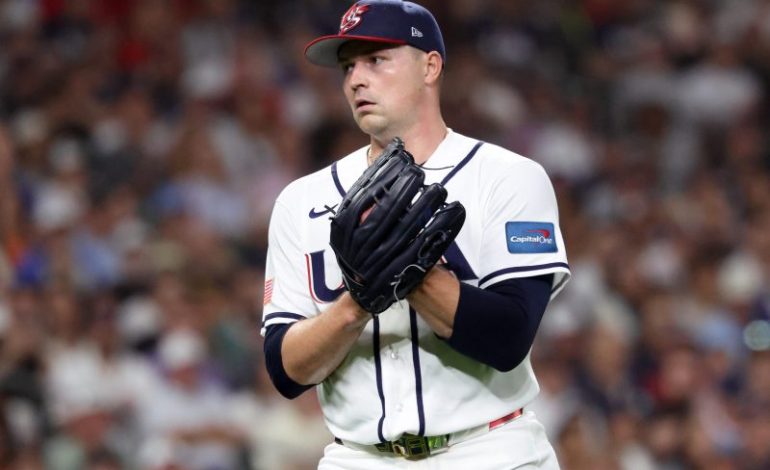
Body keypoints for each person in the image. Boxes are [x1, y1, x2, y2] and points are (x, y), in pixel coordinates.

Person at [261, 1, 571, 468]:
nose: (355, 79)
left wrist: (409, 269)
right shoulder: (300, 201)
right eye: (347, 67)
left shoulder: (508, 177)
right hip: (358, 457)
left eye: (375, 60)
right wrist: (355, 303)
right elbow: (285, 371)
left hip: (489, 449)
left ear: (430, 66)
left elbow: (509, 338)